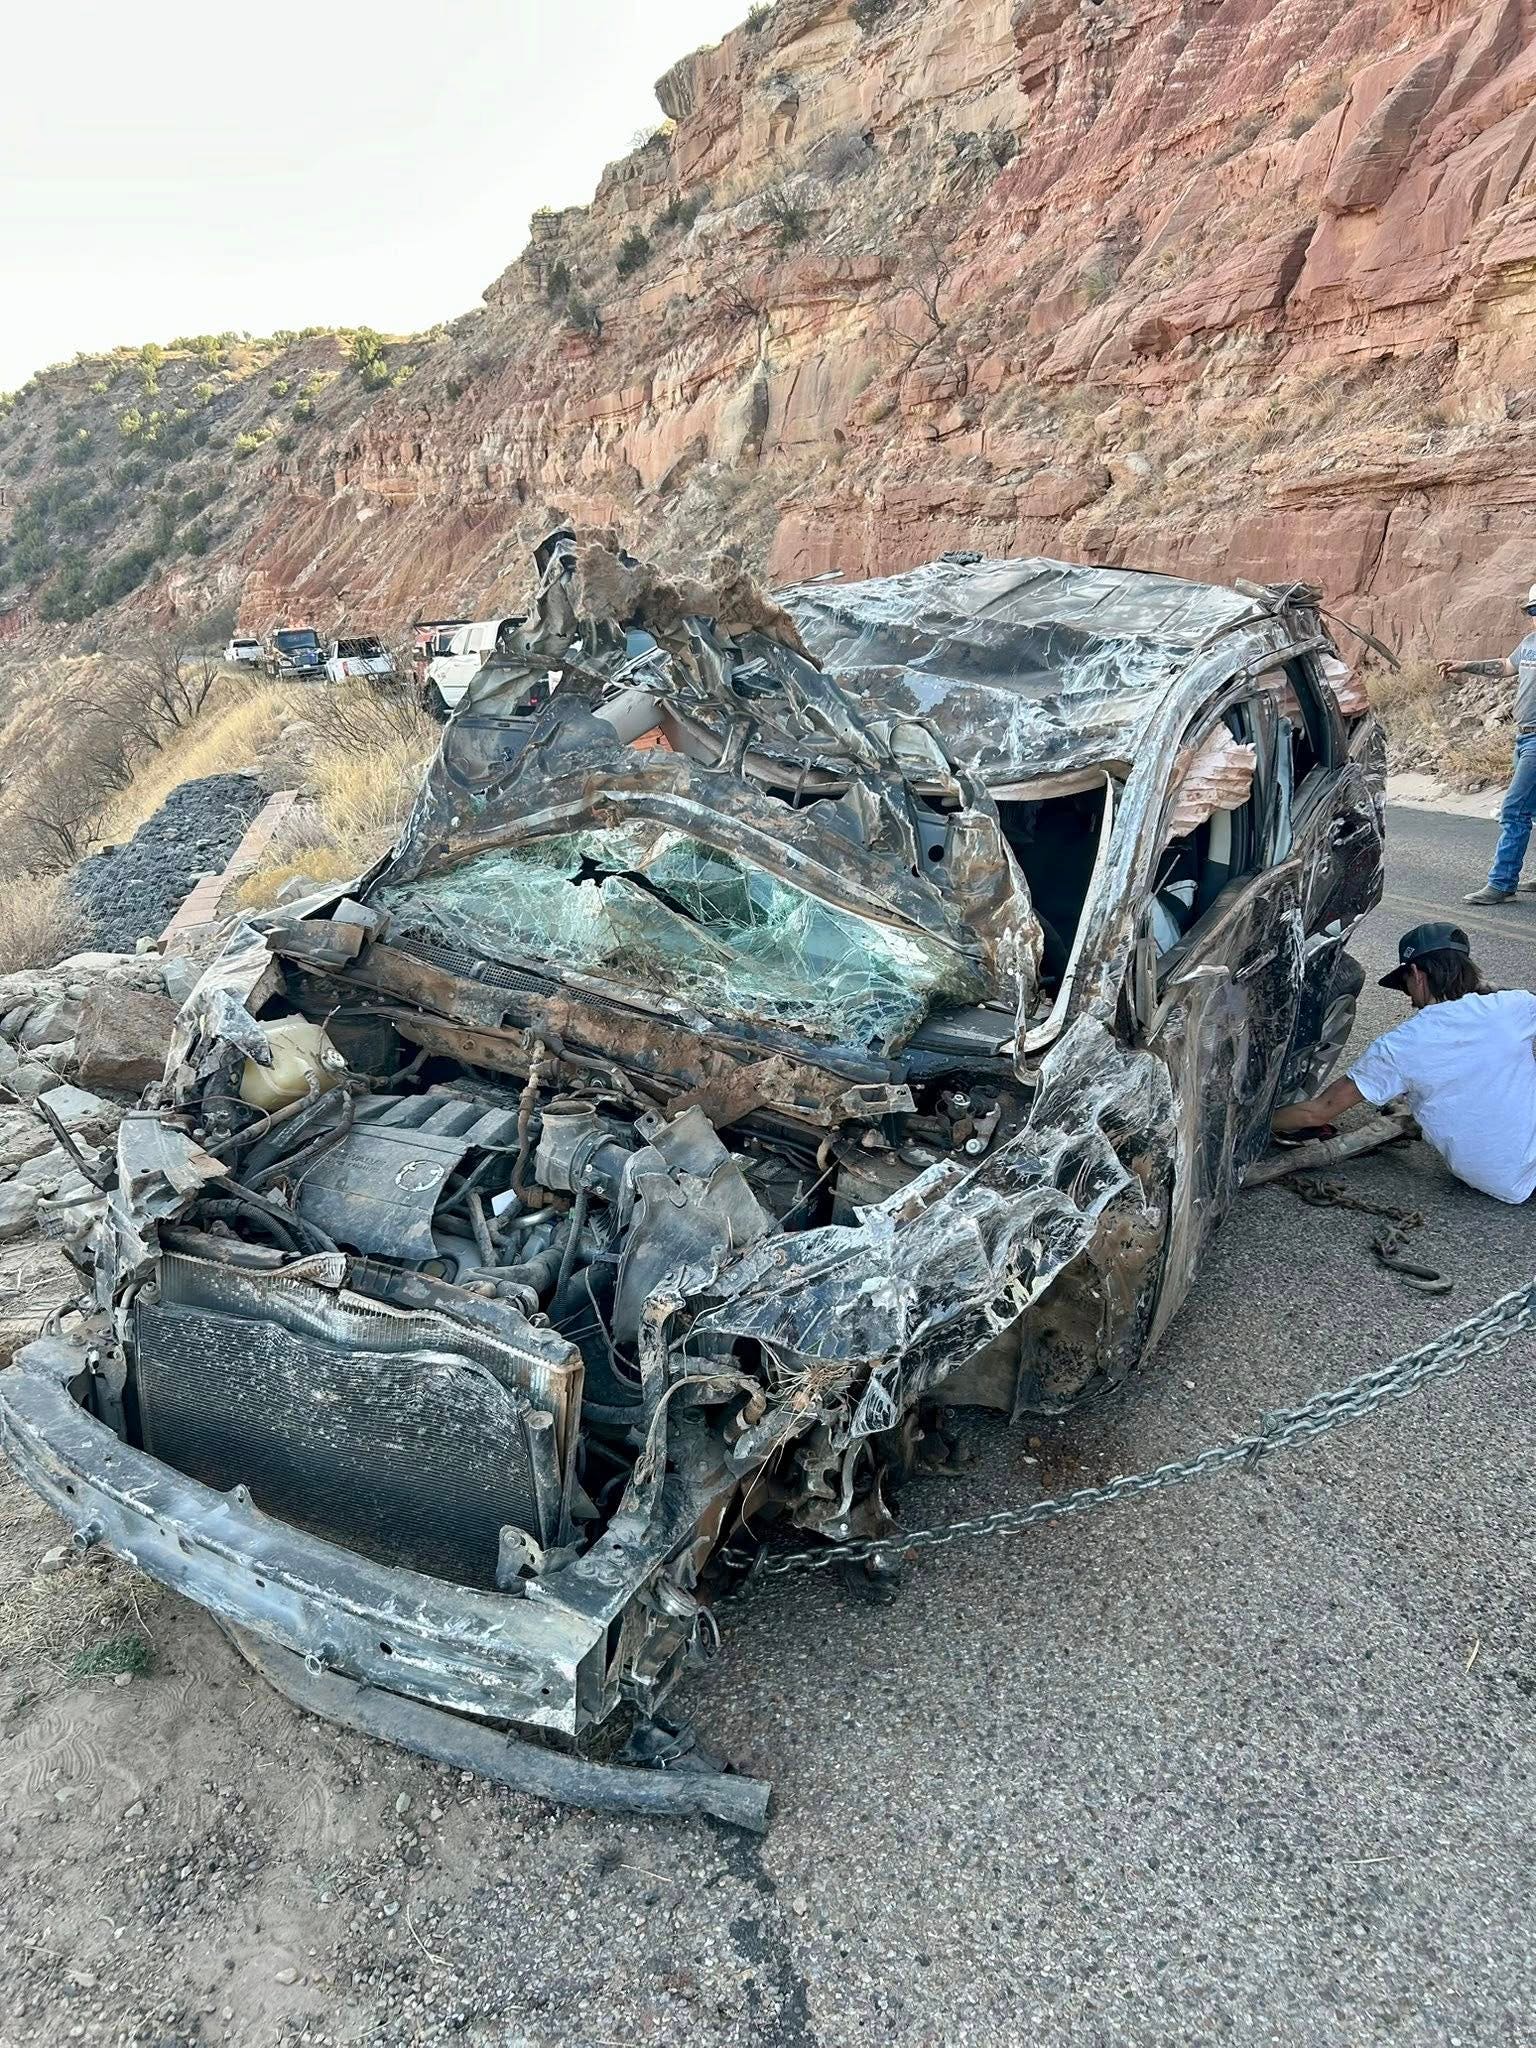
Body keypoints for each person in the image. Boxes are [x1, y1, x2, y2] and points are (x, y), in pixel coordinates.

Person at [1272, 922, 1536, 1204]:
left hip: (1494, 1175)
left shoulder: (1398, 1047)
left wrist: (1251, 1125)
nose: (1409, 996)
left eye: (1405, 984)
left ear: (1416, 974)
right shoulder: (1513, 1007)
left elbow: (1317, 1113)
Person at [1440, 583, 1536, 903]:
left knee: (1513, 810)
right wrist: (1465, 665)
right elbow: (1505, 667)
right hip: (1523, 737)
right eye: (1533, 612)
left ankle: (1502, 882)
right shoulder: (1528, 643)